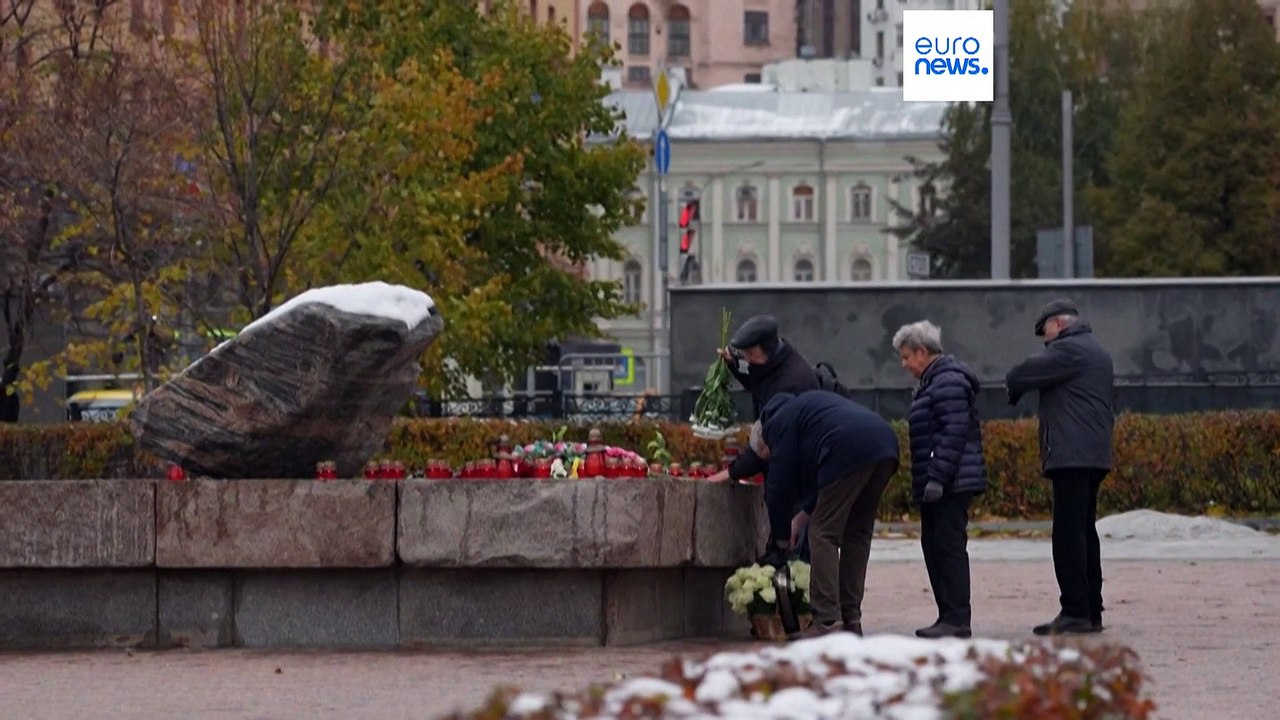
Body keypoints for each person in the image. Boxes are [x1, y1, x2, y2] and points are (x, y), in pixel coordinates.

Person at [714, 391, 899, 638]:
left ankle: (827, 622)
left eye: (768, 457)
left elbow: (778, 489)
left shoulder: (776, 428)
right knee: (857, 535)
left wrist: (780, 542)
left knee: (823, 534)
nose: (771, 460)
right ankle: (851, 619)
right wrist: (799, 520)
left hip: (847, 448)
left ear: (765, 442)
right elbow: (826, 486)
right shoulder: (804, 416)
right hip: (885, 444)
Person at [1005, 299, 1115, 636]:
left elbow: (1022, 373)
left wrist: (1014, 389)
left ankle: (1075, 611)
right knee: (1084, 532)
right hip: (1092, 454)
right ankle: (1090, 610)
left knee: (1068, 535)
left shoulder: (1071, 349)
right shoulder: (1095, 349)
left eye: (1046, 333)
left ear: (1058, 324)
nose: (1046, 341)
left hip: (1072, 454)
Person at [893, 320, 988, 639]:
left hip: (950, 482)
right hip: (942, 480)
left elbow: (953, 432)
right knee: (934, 546)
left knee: (948, 547)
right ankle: (948, 614)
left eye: (906, 357)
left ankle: (957, 618)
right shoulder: (934, 381)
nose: (904, 365)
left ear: (923, 351)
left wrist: (937, 477)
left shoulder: (946, 381)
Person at [704, 315, 820, 558]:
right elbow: (758, 381)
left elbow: (768, 445)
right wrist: (733, 364)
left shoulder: (793, 383)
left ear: (767, 349)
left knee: (795, 543)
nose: (748, 359)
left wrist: (731, 472)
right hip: (786, 463)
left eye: (750, 354)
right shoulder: (773, 364)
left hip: (798, 473)